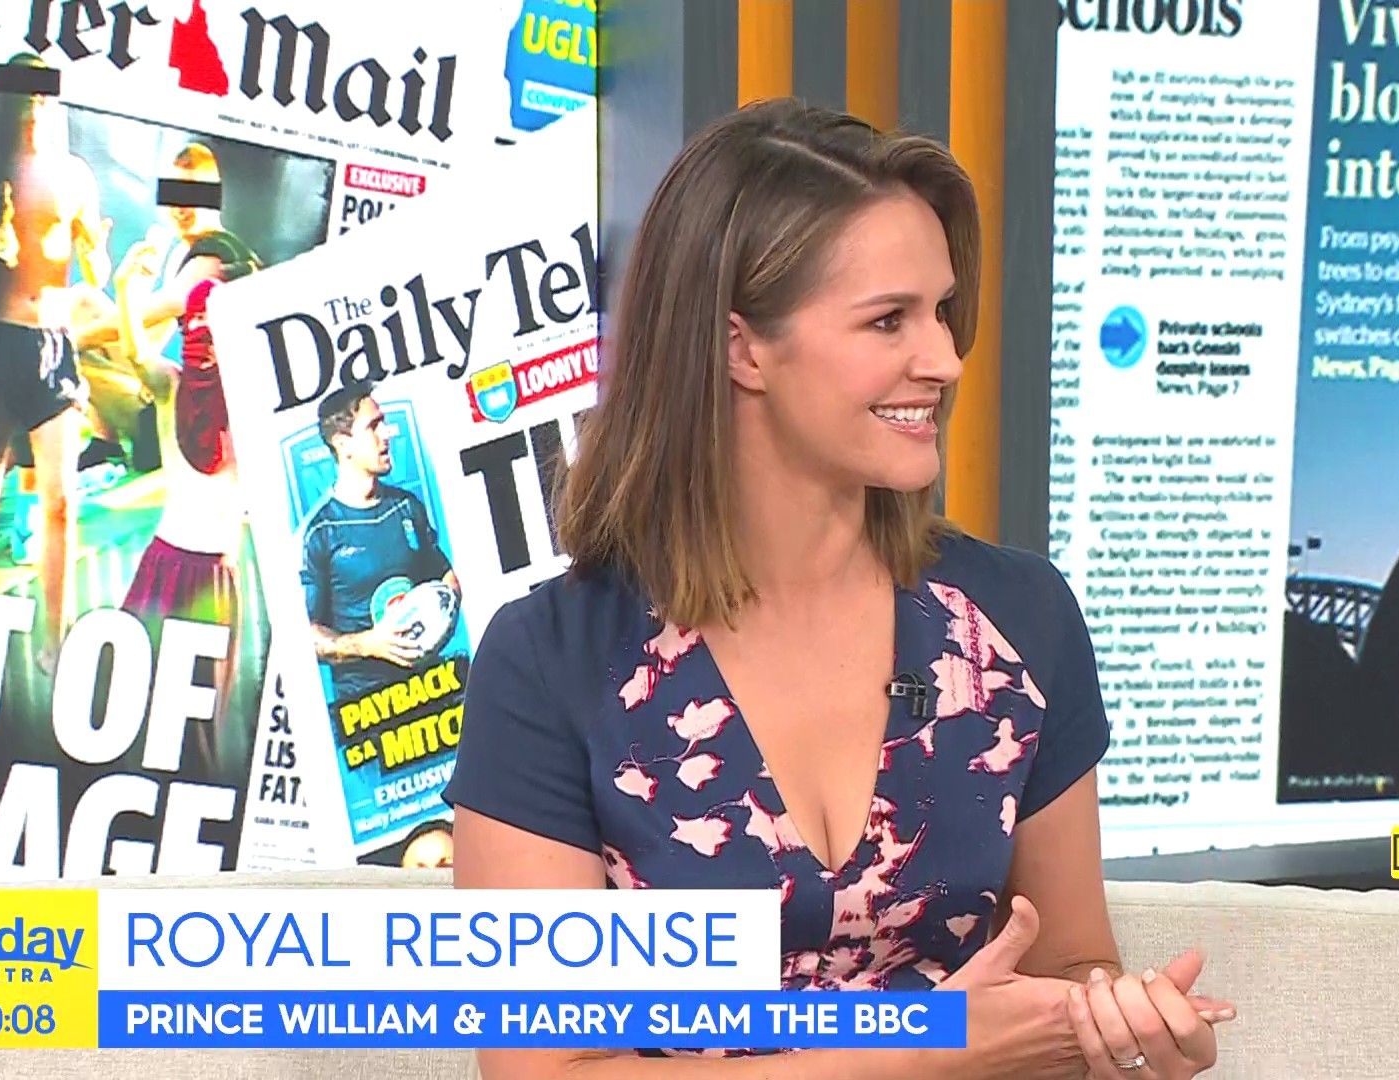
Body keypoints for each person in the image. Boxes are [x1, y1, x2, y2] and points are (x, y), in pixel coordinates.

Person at [444, 99, 1236, 1078]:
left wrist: (1127, 1030)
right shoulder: (551, 661)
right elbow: (541, 1072)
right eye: (888, 320)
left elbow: (1071, 968)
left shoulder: (1020, 619)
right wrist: (918, 1052)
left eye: (941, 313)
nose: (944, 360)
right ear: (741, 348)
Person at [0, 53, 108, 669]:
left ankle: (54, 634)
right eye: (24, 97)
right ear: (7, 105)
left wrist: (96, 250)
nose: (34, 107)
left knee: (61, 500)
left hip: (53, 344)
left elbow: (96, 267)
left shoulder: (73, 175)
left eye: (42, 97)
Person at [107, 142, 264, 775]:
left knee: (196, 730)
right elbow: (134, 352)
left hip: (215, 576)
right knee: (125, 700)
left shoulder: (253, 399)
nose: (198, 325)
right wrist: (127, 285)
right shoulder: (174, 382)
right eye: (193, 313)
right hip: (164, 562)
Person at [302, 381, 461, 701]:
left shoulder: (406, 507)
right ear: (343, 444)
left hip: (431, 689)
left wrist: (442, 614)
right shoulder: (321, 533)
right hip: (367, 707)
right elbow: (307, 635)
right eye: (373, 426)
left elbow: (446, 576)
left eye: (384, 424)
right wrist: (368, 644)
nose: (387, 434)